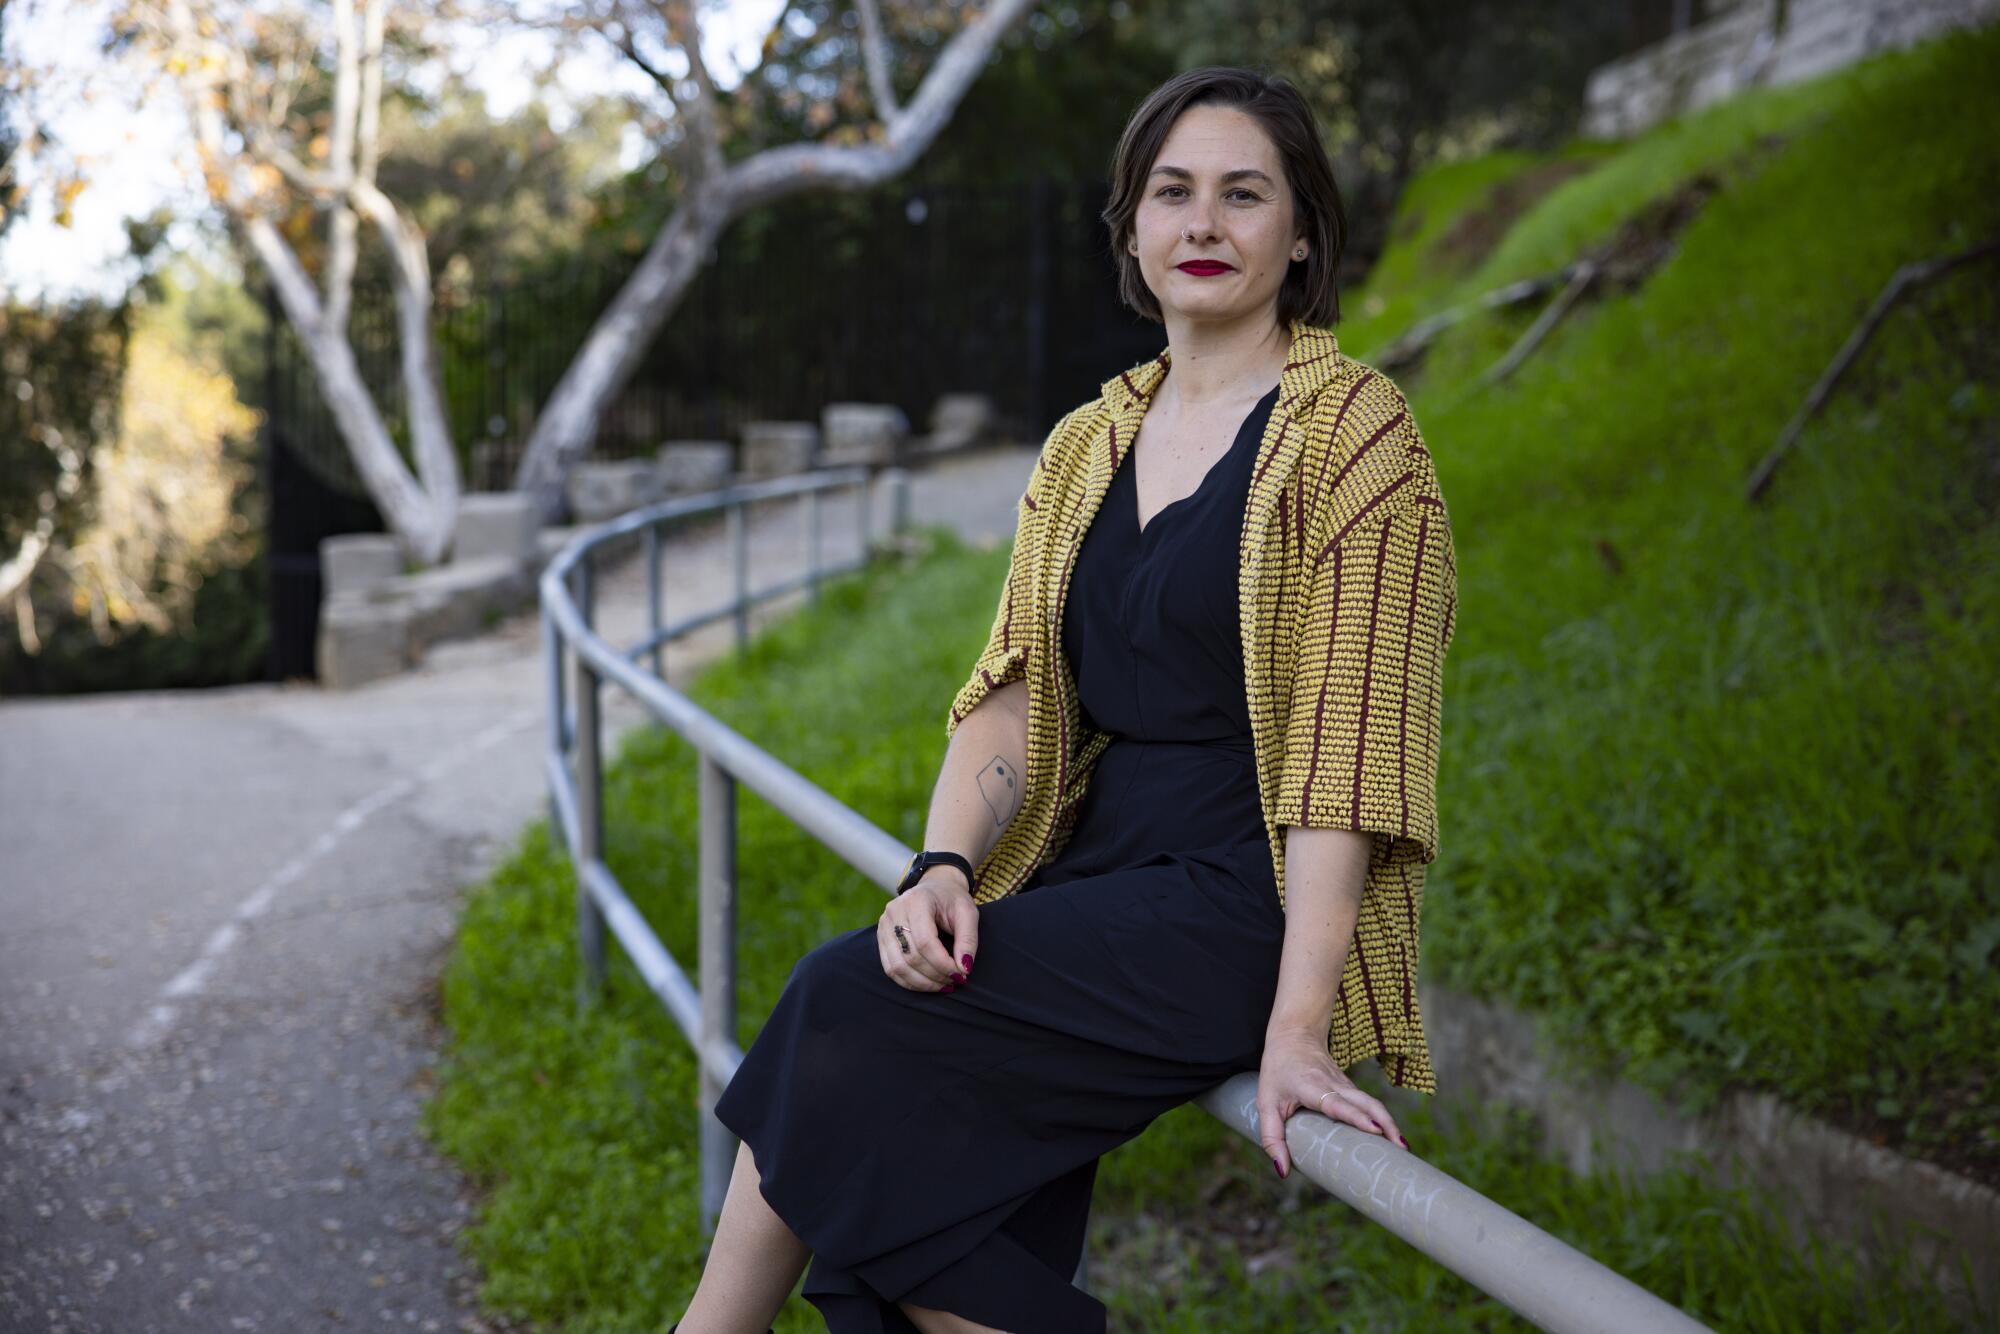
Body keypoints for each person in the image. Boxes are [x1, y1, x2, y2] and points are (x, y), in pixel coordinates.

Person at [675, 64, 1457, 1334]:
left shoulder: (1356, 435)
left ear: (1300, 230)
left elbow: (1345, 753)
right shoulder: (1087, 441)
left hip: (1236, 896)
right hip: (1087, 878)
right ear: (1133, 230)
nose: (1202, 225)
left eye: (1242, 195)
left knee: (839, 1006)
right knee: (940, 1224)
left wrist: (1298, 1025)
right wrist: (940, 862)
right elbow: (1016, 694)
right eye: (1172, 193)